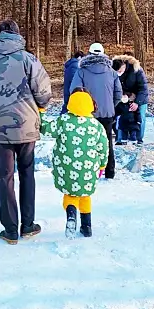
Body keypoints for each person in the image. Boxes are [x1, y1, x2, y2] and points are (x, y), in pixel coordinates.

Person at [0, 19, 52, 244]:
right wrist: (40, 106)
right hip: (26, 124)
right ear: (17, 35)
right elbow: (43, 91)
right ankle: (28, 225)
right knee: (27, 173)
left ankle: (10, 230)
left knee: (5, 177)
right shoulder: (29, 59)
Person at [41, 89, 108, 238]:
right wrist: (102, 164)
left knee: (70, 194)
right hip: (88, 169)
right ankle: (87, 226)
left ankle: (71, 215)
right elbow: (103, 147)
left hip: (66, 168)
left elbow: (45, 128)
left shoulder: (63, 121)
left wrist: (41, 113)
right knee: (85, 196)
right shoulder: (96, 126)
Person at [69, 41, 122, 179]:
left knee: (87, 143)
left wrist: (82, 107)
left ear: (89, 54)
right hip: (107, 114)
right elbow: (118, 94)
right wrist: (110, 105)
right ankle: (110, 172)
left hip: (87, 114)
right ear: (103, 54)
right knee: (107, 142)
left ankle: (89, 171)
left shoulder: (81, 71)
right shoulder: (112, 72)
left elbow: (74, 91)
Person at [112, 53, 149, 141]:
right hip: (122, 98)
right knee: (118, 117)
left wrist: (137, 102)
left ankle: (139, 139)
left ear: (124, 66)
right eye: (117, 72)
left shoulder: (137, 70)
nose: (118, 73)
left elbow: (143, 89)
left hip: (139, 98)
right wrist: (120, 96)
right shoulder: (113, 70)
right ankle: (120, 137)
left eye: (120, 71)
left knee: (140, 118)